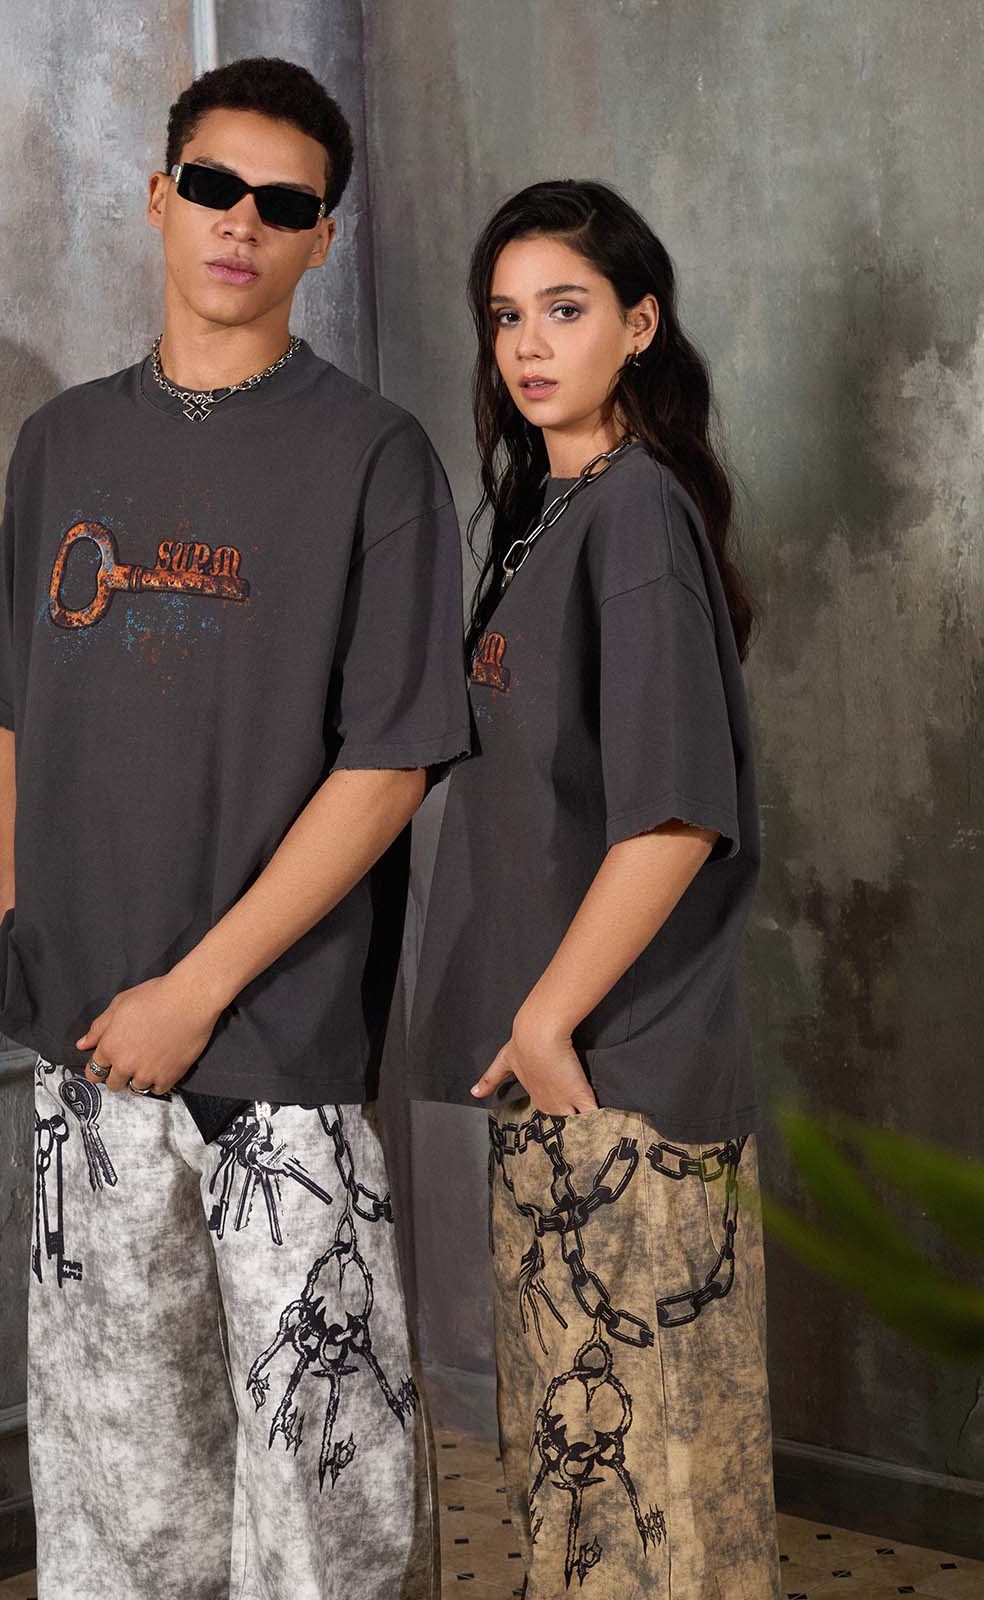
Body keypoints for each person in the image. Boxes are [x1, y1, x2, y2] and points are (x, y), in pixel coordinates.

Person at [0, 56, 469, 1600]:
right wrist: (23, 922)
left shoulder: (374, 457)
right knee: (120, 1486)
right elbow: (14, 708)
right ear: (161, 198)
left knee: (324, 1495)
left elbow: (390, 766)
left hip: (279, 1049)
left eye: (284, 205)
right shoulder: (62, 445)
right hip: (88, 1040)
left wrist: (197, 990)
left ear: (322, 240)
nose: (243, 222)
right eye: (217, 187)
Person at [407, 180, 780, 1598]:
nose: (528, 344)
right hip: (561, 1067)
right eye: (507, 316)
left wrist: (549, 1021)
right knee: (586, 1508)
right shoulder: (543, 512)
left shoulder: (633, 518)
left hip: (616, 1077)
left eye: (565, 310)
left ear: (640, 324)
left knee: (652, 1507)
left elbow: (676, 816)